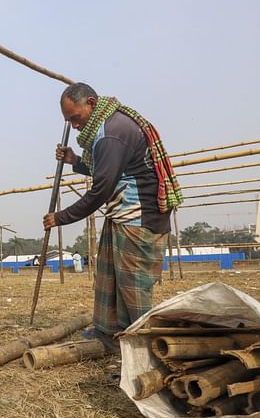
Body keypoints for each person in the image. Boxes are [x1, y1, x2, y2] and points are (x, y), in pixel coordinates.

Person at [43, 83, 183, 352]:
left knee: (133, 285)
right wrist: (75, 161)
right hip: (123, 216)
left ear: (91, 104)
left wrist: (60, 217)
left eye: (75, 118)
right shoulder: (108, 127)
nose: (74, 126)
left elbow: (100, 190)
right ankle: (110, 334)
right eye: (68, 121)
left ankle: (144, 348)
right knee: (110, 275)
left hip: (139, 219)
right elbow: (109, 169)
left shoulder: (110, 134)